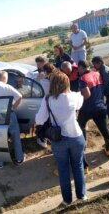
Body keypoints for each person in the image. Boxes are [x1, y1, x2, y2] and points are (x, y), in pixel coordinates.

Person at [35, 72, 86, 206]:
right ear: (67, 82)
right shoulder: (74, 96)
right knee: (78, 166)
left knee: (63, 170)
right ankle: (81, 196)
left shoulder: (48, 100)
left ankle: (67, 200)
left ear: (52, 84)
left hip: (58, 140)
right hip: (76, 137)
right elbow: (80, 103)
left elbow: (39, 120)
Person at [77, 60, 109, 158]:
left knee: (80, 126)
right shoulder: (97, 74)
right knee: (104, 129)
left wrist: (78, 97)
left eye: (78, 68)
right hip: (100, 107)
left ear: (81, 67)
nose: (77, 70)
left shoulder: (82, 78)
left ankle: (83, 147)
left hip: (86, 109)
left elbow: (86, 95)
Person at [36, 62, 57, 148]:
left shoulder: (43, 82)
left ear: (45, 71)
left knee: (44, 122)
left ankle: (43, 140)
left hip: (46, 103)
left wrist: (39, 78)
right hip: (56, 103)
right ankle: (53, 139)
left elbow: (37, 91)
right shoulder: (57, 79)